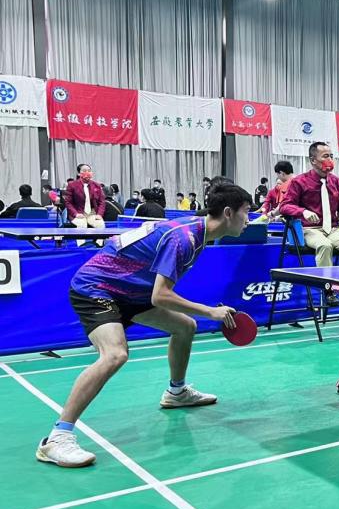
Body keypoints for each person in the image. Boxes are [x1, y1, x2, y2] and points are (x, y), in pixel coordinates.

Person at [38, 184, 253, 467]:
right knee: (115, 355)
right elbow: (160, 296)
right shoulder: (184, 238)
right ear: (228, 213)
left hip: (130, 291)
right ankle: (56, 438)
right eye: (246, 212)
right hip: (97, 287)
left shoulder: (198, 233)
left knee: (185, 326)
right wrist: (211, 312)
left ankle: (176, 392)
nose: (249, 220)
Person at [279, 142, 339, 307]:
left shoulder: (337, 182)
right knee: (324, 246)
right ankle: (329, 291)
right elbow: (285, 206)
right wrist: (303, 211)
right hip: (309, 229)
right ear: (313, 160)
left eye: (331, 156)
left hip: (333, 229)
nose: (330, 160)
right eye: (325, 156)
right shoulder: (299, 182)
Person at [66, 164, 106, 229]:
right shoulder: (72, 185)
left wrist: (99, 214)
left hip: (92, 213)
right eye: (84, 171)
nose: (87, 172)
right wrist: (76, 214)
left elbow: (102, 202)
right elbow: (68, 202)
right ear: (79, 173)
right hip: (78, 213)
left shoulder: (97, 185)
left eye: (89, 171)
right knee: (82, 225)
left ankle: (98, 237)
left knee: (100, 225)